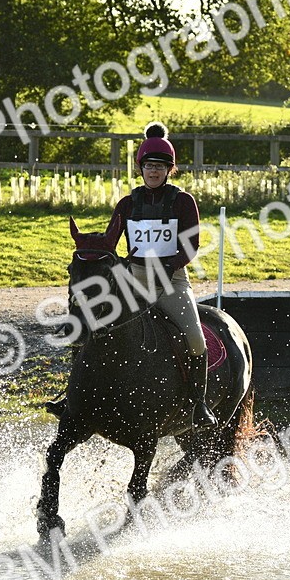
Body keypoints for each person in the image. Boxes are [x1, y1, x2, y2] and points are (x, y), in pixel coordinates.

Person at [105, 121, 217, 427]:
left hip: (171, 279)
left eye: (160, 166)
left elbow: (191, 246)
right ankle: (73, 395)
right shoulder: (127, 204)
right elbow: (110, 243)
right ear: (140, 168)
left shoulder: (183, 202)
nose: (153, 172)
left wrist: (168, 266)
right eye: (148, 166)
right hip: (136, 277)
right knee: (92, 324)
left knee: (195, 338)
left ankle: (199, 403)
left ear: (170, 170)